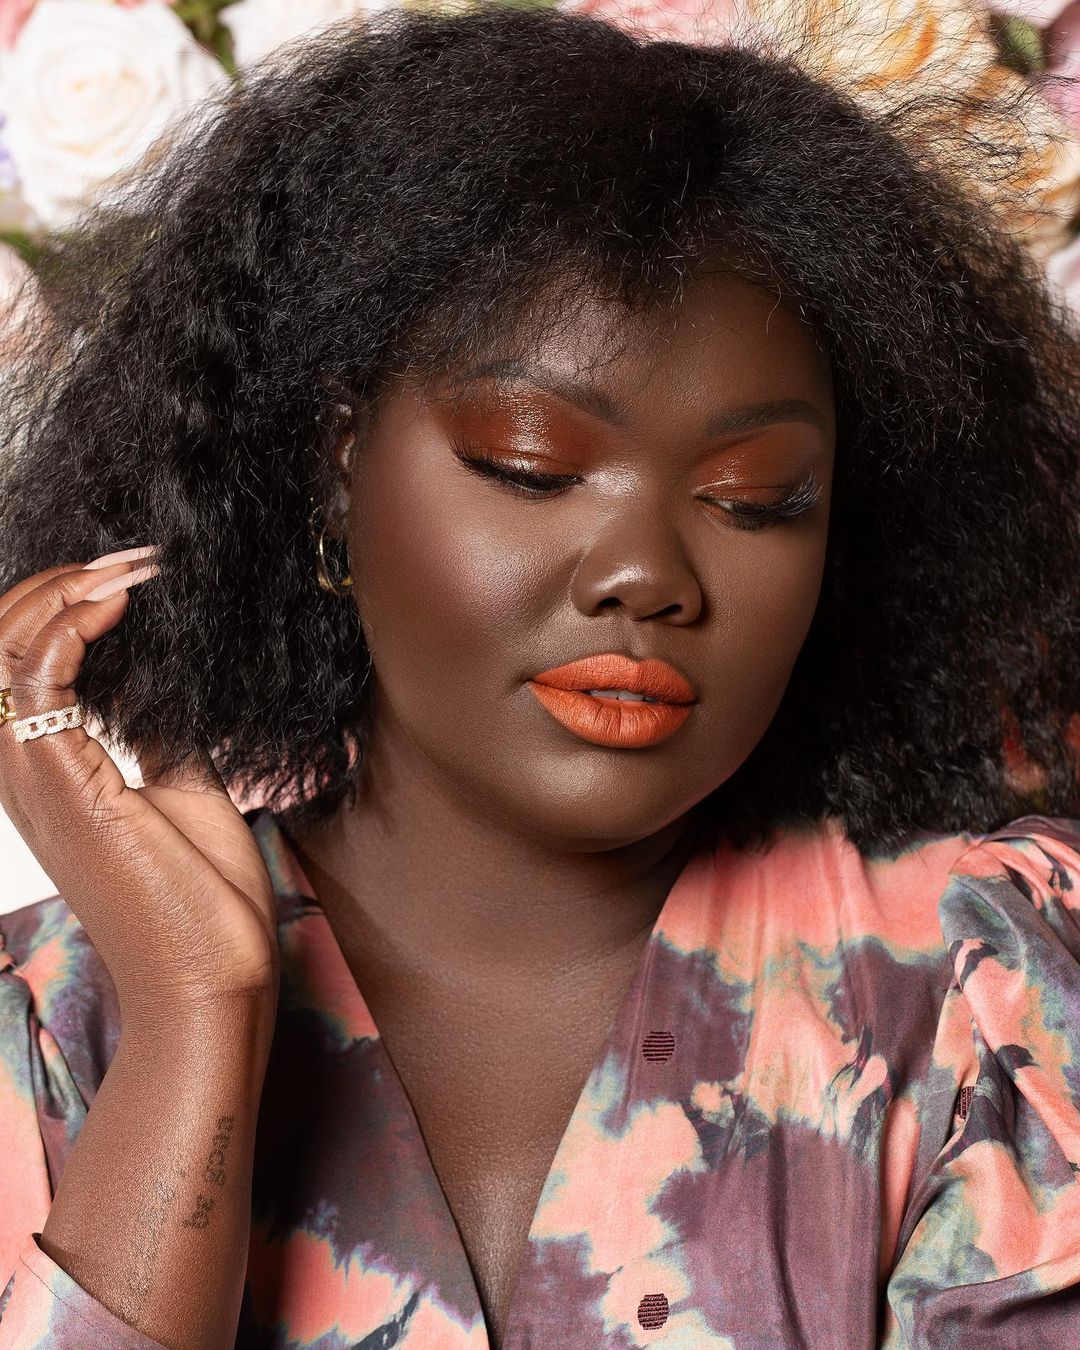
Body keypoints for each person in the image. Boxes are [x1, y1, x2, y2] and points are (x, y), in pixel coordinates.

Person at [0, 4, 1078, 1347]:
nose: (647, 575)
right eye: (532, 466)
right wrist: (190, 1019)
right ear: (338, 470)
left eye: (757, 498)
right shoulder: (52, 1028)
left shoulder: (981, 990)